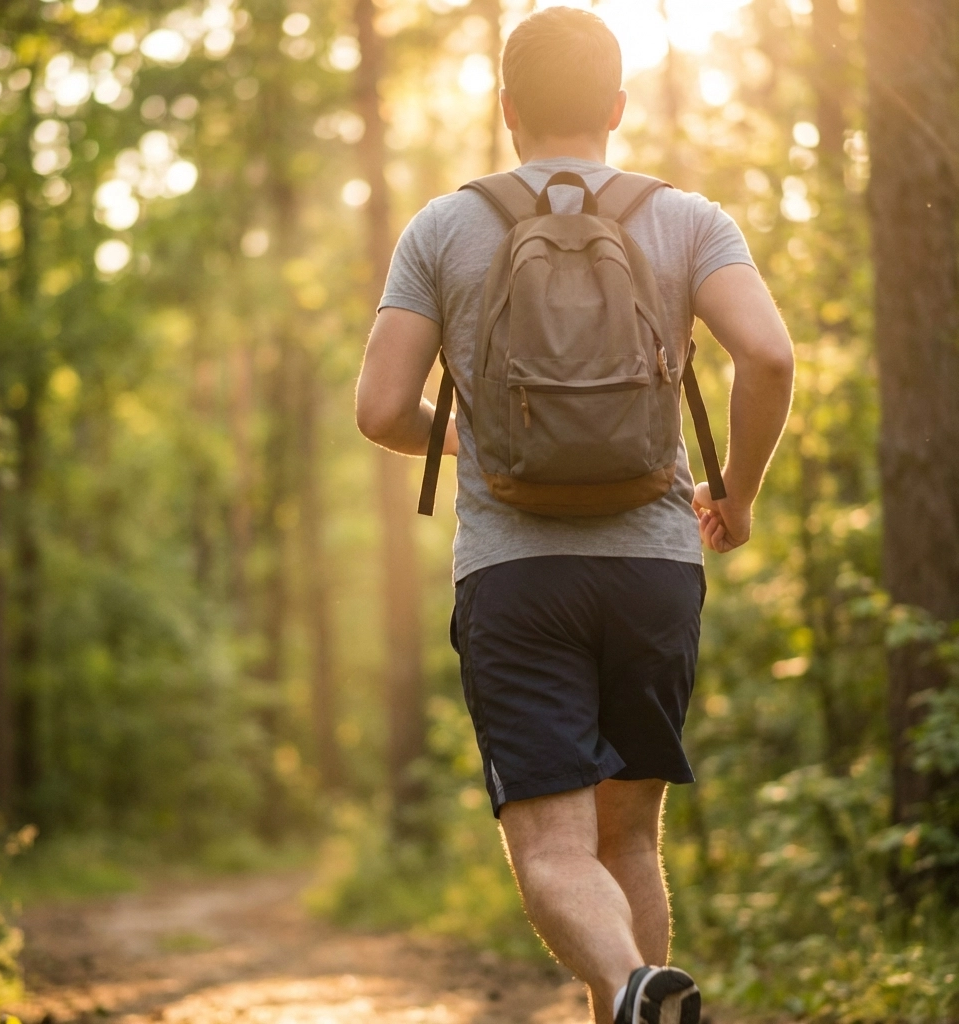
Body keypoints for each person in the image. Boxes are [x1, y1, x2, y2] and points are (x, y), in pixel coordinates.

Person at [355, 7, 795, 1024]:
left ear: (506, 109)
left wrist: (476, 443)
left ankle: (631, 985)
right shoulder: (689, 220)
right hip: (654, 564)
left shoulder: (444, 228)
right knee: (628, 836)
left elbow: (379, 409)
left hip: (515, 574)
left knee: (553, 847)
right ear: (618, 106)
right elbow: (769, 355)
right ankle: (640, 995)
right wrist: (735, 493)